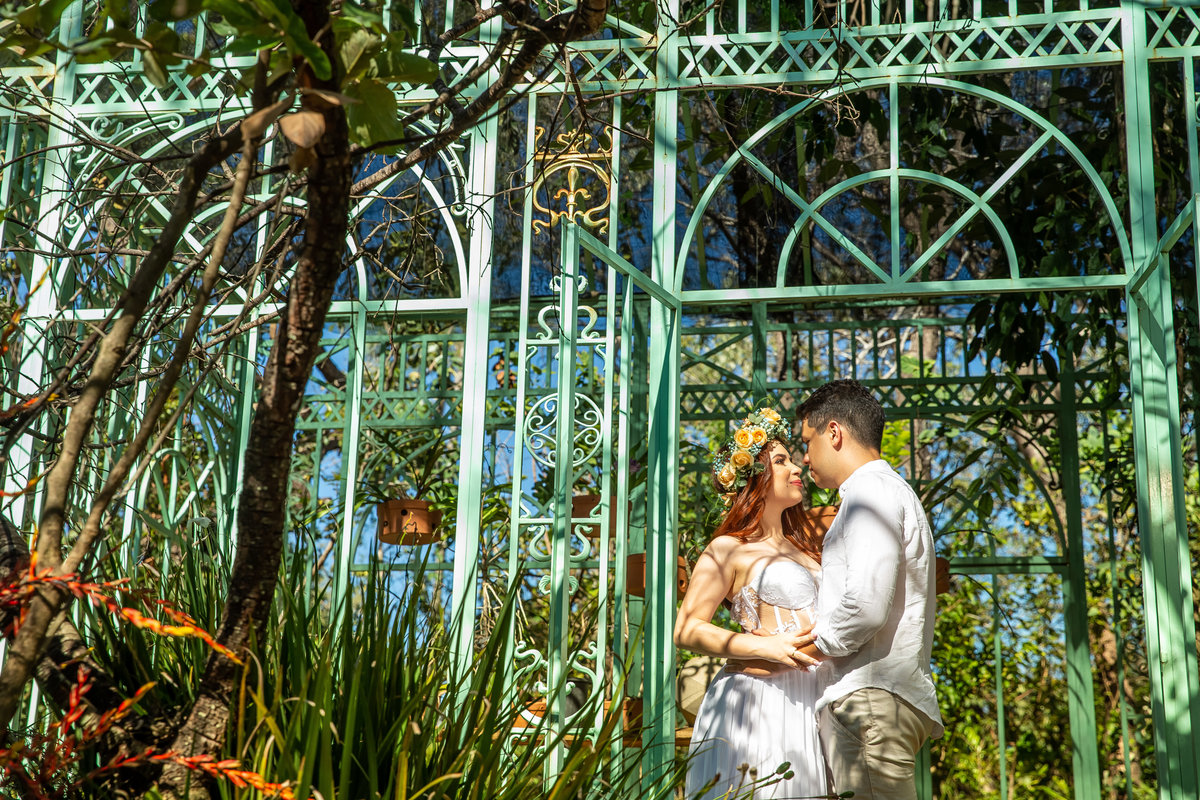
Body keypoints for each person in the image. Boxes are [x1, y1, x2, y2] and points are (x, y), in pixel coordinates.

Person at [793, 380, 943, 800]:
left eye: (808, 442)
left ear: (834, 433)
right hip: (879, 698)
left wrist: (803, 649)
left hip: (869, 699)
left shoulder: (868, 492)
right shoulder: (885, 491)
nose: (804, 458)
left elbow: (865, 606)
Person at [674, 406, 834, 800]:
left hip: (816, 697)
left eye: (793, 459)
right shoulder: (727, 549)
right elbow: (687, 628)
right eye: (781, 461)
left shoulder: (809, 552)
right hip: (758, 701)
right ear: (754, 480)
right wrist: (766, 646)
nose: (797, 468)